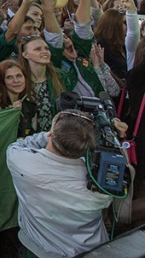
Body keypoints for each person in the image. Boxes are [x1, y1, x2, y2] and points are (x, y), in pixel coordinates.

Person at [7, 110, 123, 257]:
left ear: (51, 133)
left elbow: (19, 145)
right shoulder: (99, 182)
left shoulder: (22, 163)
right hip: (91, 251)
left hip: (39, 251)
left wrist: (50, 134)